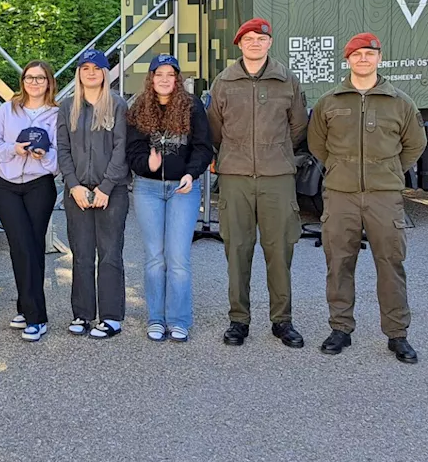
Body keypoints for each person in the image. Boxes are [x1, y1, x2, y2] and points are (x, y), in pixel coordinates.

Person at [308, 33, 426, 364]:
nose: (363, 59)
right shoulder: (330, 101)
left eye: (369, 54)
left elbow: (415, 144)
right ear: (347, 60)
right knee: (339, 263)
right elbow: (318, 144)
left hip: (383, 198)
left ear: (379, 58)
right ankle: (340, 329)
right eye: (357, 54)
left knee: (390, 264)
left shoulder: (399, 102)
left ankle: (397, 334)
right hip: (341, 196)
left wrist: (387, 172)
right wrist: (339, 169)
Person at [206, 18, 309, 348]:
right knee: (237, 249)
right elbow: (214, 129)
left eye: (260, 39)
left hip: (276, 176)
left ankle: (282, 320)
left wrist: (276, 154)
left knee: (280, 249)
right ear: (239, 44)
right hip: (235, 176)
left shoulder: (286, 80)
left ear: (269, 43)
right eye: (248, 39)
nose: (254, 43)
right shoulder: (224, 81)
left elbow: (298, 128)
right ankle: (239, 320)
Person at [126, 54, 212, 343]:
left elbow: (203, 147)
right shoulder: (139, 107)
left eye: (170, 74)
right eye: (158, 74)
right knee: (154, 257)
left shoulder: (192, 106)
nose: (164, 79)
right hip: (148, 189)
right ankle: (155, 318)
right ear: (151, 78)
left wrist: (191, 173)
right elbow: (132, 150)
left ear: (177, 78)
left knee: (178, 258)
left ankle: (178, 320)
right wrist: (145, 165)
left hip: (182, 190)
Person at [0, 60, 60, 342]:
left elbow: (61, 158)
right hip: (7, 185)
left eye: (40, 78)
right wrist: (14, 150)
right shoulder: (6, 110)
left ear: (49, 82)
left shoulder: (56, 115)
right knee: (20, 246)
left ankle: (33, 315)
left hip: (39, 185)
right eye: (30, 77)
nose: (35, 82)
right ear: (22, 80)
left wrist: (45, 157)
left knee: (33, 247)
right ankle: (32, 311)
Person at [56, 49, 130, 339]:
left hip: (111, 193)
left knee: (110, 254)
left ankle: (111, 316)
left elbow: (121, 149)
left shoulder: (118, 105)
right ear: (79, 73)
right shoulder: (67, 107)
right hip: (77, 193)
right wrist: (73, 185)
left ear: (104, 73)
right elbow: (62, 149)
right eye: (84, 67)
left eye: (96, 68)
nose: (90, 72)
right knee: (82, 255)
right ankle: (83, 314)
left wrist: (106, 187)